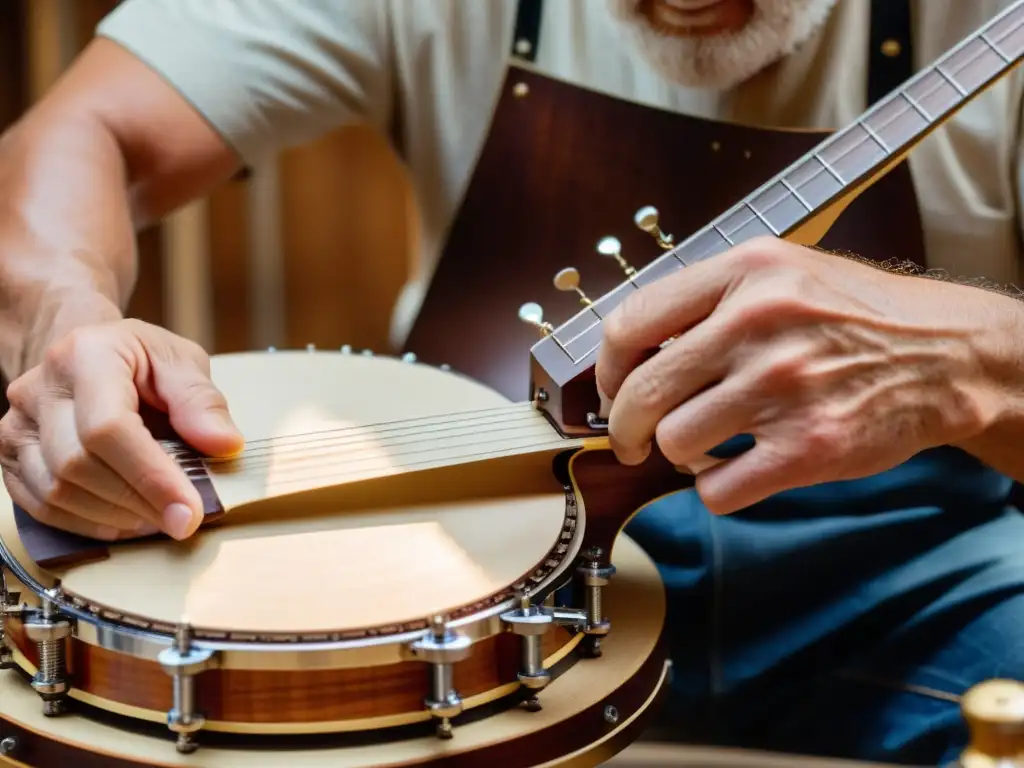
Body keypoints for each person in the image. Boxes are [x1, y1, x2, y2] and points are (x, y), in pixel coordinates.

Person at [0, 0, 1021, 764]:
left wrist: (978, 359)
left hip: (918, 577)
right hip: (465, 564)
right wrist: (67, 316)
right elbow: (87, 136)